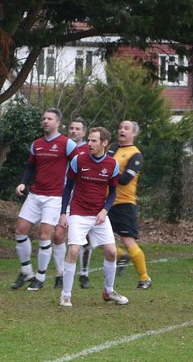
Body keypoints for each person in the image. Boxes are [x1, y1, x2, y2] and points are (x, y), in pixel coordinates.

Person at [57, 126, 127, 308]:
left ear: (104, 143)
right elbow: (67, 188)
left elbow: (112, 193)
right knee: (73, 251)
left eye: (94, 140)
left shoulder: (112, 164)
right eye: (88, 140)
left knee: (112, 252)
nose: (89, 143)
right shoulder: (78, 160)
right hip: (79, 213)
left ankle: (108, 291)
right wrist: (63, 213)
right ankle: (65, 295)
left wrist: (105, 210)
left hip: (98, 215)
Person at [10, 108, 74, 291]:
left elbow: (78, 165)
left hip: (55, 197)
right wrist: (23, 183)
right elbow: (30, 167)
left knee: (45, 235)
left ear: (57, 123)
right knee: (20, 230)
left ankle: (41, 277)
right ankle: (26, 271)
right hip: (35, 194)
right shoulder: (36, 144)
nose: (45, 121)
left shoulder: (66, 144)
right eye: (44, 118)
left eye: (50, 119)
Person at [109, 119, 153, 291]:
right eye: (120, 127)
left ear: (134, 133)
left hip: (124, 204)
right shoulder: (112, 148)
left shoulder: (135, 154)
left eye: (126, 128)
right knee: (91, 236)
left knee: (127, 240)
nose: (122, 130)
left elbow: (125, 179)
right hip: (106, 203)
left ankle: (144, 278)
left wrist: (106, 175)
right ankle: (121, 256)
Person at [67, 117, 94, 289]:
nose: (74, 131)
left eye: (78, 129)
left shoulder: (89, 149)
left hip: (84, 197)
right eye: (71, 128)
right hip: (63, 194)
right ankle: (62, 275)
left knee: (86, 239)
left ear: (83, 132)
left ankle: (84, 274)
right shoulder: (64, 146)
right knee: (62, 237)